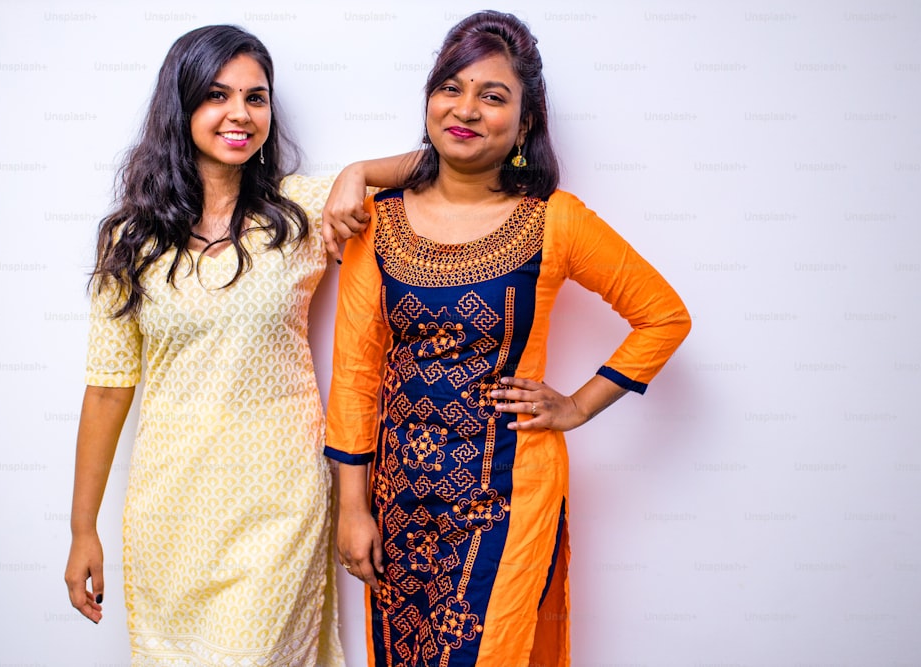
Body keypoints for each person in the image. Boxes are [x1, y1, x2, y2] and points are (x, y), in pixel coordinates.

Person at [325, 10, 692, 666]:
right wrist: (352, 507)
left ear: (524, 124)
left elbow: (663, 315)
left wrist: (577, 406)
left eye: (492, 95)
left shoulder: (554, 221)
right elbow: (355, 374)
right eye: (450, 88)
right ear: (430, 100)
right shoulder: (375, 223)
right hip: (399, 501)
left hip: (507, 492)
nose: (465, 108)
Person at [63, 24, 410, 666]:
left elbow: (435, 163)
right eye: (218, 95)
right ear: (182, 105)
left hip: (280, 504)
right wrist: (83, 528)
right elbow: (109, 389)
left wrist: (358, 172)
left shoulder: (300, 211)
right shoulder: (130, 240)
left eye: (257, 97)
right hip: (170, 510)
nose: (240, 114)